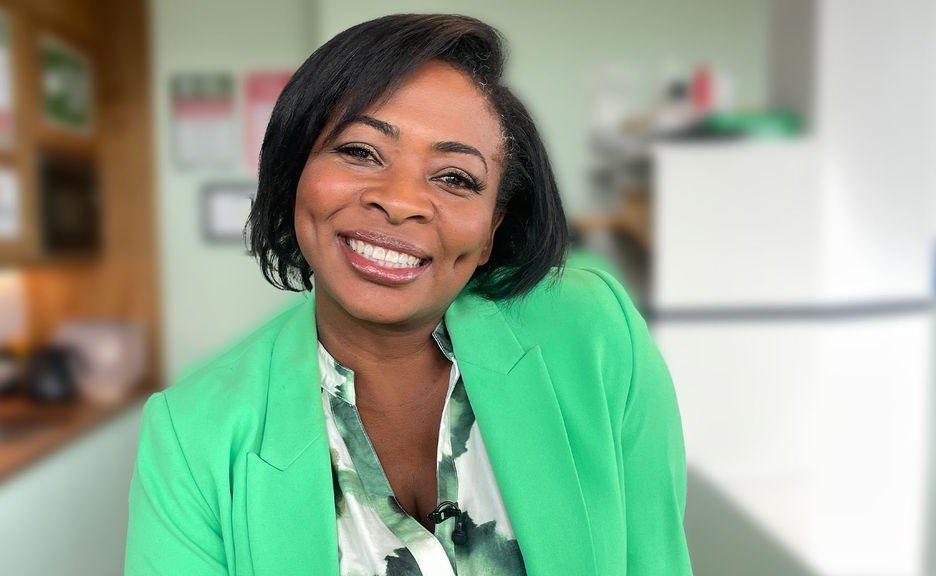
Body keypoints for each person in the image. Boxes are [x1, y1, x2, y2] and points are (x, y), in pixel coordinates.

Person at [124, 13, 692, 576]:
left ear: (494, 228)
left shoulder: (593, 333)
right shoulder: (192, 433)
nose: (399, 202)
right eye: (361, 151)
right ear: (296, 170)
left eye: (454, 178)